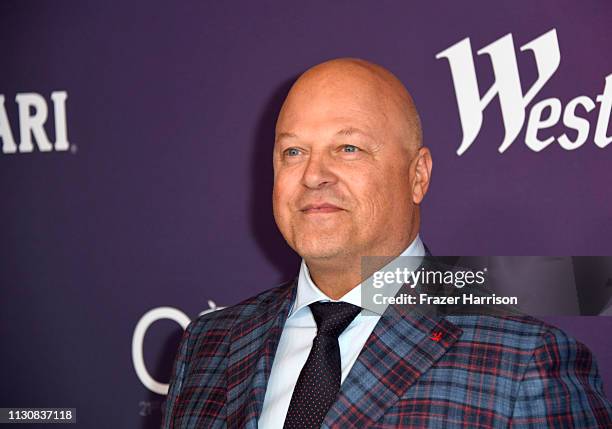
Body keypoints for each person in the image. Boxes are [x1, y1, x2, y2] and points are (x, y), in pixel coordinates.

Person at [162, 58, 612, 428]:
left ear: (417, 175)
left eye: (348, 149)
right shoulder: (208, 344)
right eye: (293, 152)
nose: (313, 174)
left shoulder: (523, 363)